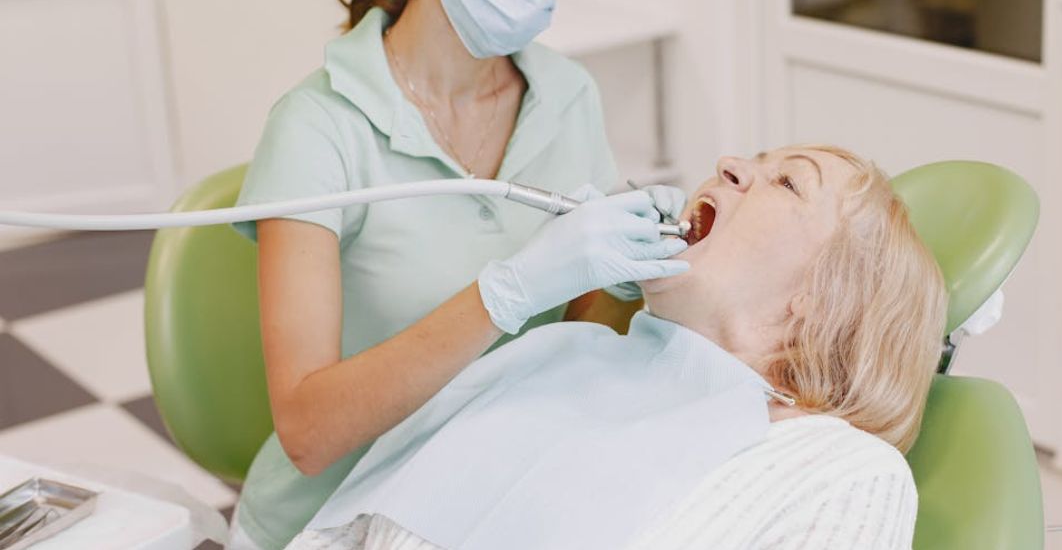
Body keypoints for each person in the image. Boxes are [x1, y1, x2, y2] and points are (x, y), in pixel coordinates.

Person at [227, 0, 688, 547]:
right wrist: (503, 293)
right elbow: (308, 432)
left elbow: (576, 343)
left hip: (485, 498)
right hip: (332, 519)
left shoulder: (567, 96)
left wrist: (625, 277)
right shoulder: (318, 128)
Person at [285, 146, 949, 550]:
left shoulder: (835, 467)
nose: (729, 163)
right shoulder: (558, 357)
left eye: (786, 182)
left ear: (821, 301)